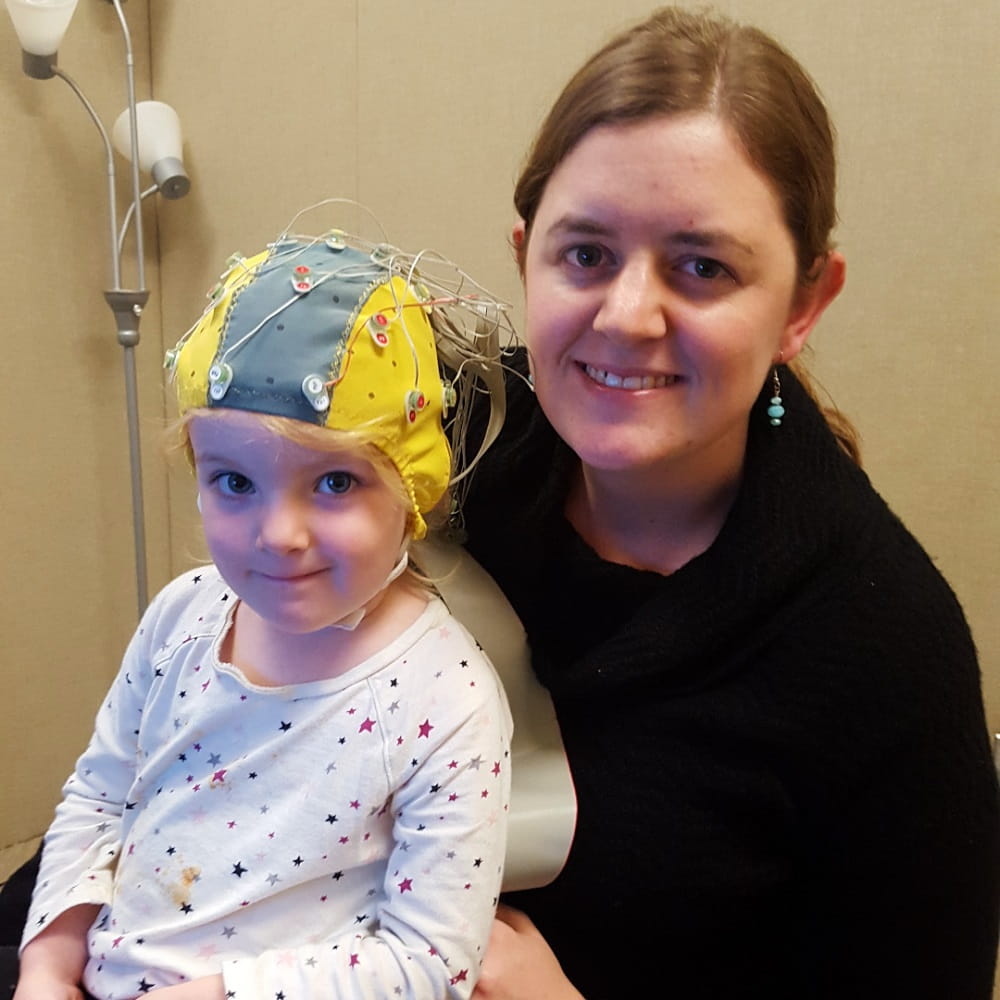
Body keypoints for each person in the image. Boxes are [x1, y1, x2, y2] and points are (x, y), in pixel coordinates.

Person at [460, 7, 1000, 999]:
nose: (627, 315)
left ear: (805, 302)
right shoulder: (434, 461)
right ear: (524, 250)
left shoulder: (883, 651)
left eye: (701, 266)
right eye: (584, 254)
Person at [10, 214, 514, 1000]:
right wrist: (46, 962)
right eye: (234, 482)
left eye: (336, 483)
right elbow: (100, 794)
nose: (279, 536)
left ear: (415, 485)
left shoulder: (444, 701)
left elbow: (428, 963)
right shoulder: (182, 619)